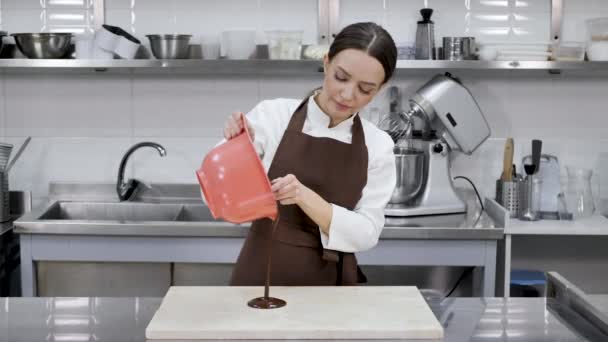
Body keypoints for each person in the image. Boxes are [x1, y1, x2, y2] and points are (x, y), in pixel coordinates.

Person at [219, 22, 397, 286]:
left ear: (379, 89)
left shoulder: (378, 145)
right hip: (259, 279)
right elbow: (220, 197)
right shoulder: (272, 116)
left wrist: (305, 197)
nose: (348, 94)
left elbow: (367, 233)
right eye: (341, 77)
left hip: (331, 287)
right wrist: (235, 152)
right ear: (326, 63)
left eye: (365, 89)